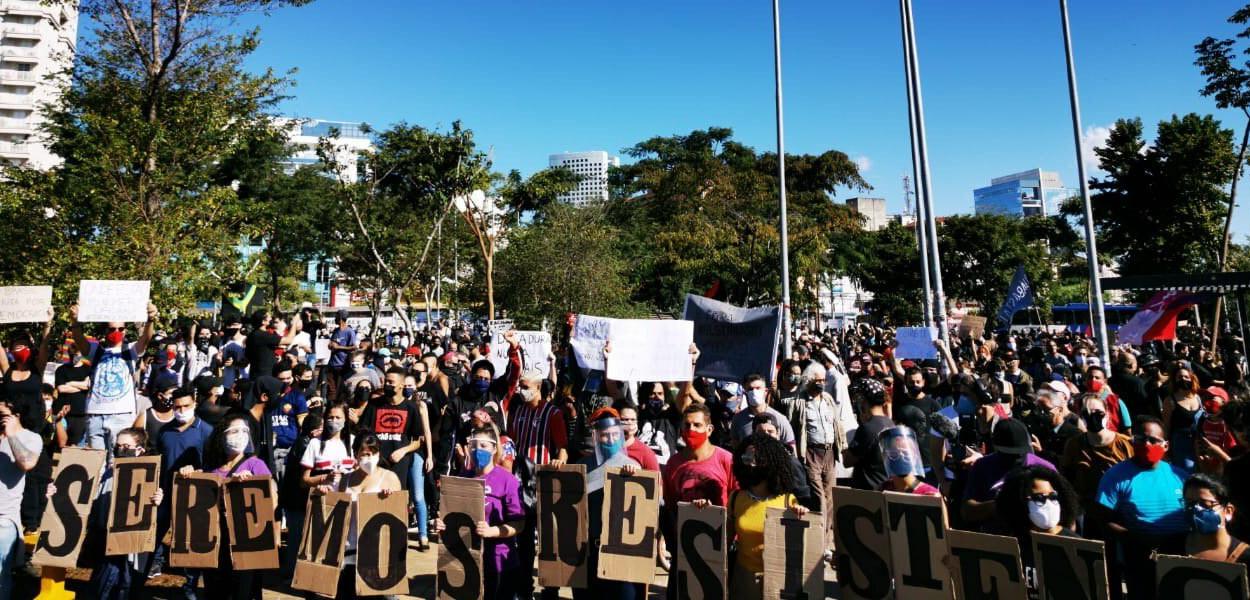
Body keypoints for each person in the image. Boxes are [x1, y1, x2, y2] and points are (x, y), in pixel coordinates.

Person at [58, 428, 161, 600]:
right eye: (118, 446)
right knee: (103, 583)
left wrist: (157, 499)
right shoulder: (108, 472)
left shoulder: (147, 474)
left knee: (122, 584)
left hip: (128, 542)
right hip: (103, 536)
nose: (120, 449)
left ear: (139, 450)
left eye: (126, 446)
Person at [1095, 417, 1188, 600]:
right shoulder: (1115, 476)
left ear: (1166, 445)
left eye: (1153, 440)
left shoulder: (1179, 476)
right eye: (1140, 439)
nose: (1146, 444)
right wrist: (1135, 538)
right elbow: (1103, 519)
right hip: (1140, 558)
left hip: (1179, 555)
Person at [434, 426, 526, 600]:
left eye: (483, 446)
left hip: (499, 562)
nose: (478, 450)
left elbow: (519, 524)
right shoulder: (463, 478)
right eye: (473, 445)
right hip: (467, 560)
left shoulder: (508, 481)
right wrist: (442, 523)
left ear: (494, 449)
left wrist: (492, 531)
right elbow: (455, 515)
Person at [714, 432, 809, 600]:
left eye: (757, 459)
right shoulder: (736, 498)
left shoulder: (788, 501)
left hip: (778, 581)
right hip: (744, 580)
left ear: (771, 462)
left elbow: (801, 543)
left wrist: (801, 515)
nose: (752, 464)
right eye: (747, 458)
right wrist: (702, 510)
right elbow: (723, 541)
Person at [323, 432, 403, 600]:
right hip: (348, 554)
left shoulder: (390, 478)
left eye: (373, 453)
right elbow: (331, 509)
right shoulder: (345, 480)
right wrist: (322, 491)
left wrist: (389, 499)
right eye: (365, 454)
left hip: (377, 556)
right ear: (356, 454)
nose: (369, 458)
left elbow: (398, 517)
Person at [200, 413, 271, 600]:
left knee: (243, 590)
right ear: (222, 435)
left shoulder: (256, 464)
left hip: (245, 539)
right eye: (234, 431)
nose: (240, 435)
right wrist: (189, 475)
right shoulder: (211, 469)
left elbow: (271, 500)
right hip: (217, 540)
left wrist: (250, 485)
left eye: (244, 431)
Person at [784, 361, 852, 555]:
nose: (821, 383)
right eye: (818, 380)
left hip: (829, 453)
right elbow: (793, 428)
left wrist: (842, 447)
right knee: (819, 496)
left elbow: (837, 425)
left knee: (830, 498)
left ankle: (826, 542)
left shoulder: (828, 400)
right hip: (811, 453)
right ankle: (817, 540)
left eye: (823, 380)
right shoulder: (799, 402)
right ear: (809, 381)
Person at [574, 408, 642, 600]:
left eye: (615, 434)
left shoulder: (632, 466)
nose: (611, 440)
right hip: (589, 552)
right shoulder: (582, 466)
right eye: (605, 435)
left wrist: (636, 479)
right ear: (595, 436)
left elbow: (650, 506)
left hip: (621, 552)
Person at [72, 302, 159, 452]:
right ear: (106, 330)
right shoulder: (96, 350)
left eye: (120, 329)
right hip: (95, 415)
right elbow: (80, 341)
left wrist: (150, 320)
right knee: (96, 459)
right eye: (112, 329)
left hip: (122, 415)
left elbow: (146, 339)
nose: (117, 332)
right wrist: (75, 322)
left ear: (125, 331)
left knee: (118, 459)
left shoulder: (130, 350)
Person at [358, 368, 429, 544]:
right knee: (372, 496)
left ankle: (397, 538)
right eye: (386, 381)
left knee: (396, 499)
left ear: (402, 385)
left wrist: (403, 450)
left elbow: (418, 440)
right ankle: (370, 538)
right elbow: (363, 432)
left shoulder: (411, 408)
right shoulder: (374, 404)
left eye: (391, 382)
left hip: (399, 462)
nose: (387, 385)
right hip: (376, 461)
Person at [996, 466, 1081, 598]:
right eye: (1039, 498)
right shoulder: (1014, 546)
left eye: (1053, 496)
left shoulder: (1076, 545)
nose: (1048, 503)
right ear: (1019, 502)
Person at [961, 419, 1057, 528]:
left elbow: (1066, 510)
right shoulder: (983, 466)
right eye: (1012, 455)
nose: (1019, 457)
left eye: (1022, 452)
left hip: (1036, 534)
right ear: (997, 448)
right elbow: (967, 511)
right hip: (997, 535)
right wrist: (999, 505)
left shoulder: (1045, 468)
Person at [0, 398, 40, 600]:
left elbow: (26, 463)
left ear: (17, 416)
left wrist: (11, 436)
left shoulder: (30, 438)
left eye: (2, 415)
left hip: (4, 518)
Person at [1183, 473, 1250, 566]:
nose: (1195, 509)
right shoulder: (1172, 547)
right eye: (1189, 503)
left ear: (1228, 511)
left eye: (1204, 504)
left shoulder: (1246, 556)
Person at [844, 377, 893, 491]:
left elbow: (848, 461)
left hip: (868, 492)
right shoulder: (889, 423)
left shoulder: (867, 428)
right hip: (885, 487)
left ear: (863, 399)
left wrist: (844, 451)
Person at [729, 373, 795, 447]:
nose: (754, 392)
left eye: (758, 388)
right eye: (750, 389)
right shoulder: (738, 419)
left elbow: (791, 450)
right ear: (745, 392)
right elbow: (735, 448)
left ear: (766, 391)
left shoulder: (780, 419)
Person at [1162, 365, 1203, 473]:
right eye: (1180, 377)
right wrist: (1165, 448)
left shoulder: (1197, 398)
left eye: (1186, 377)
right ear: (1175, 380)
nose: (1183, 379)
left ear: (1192, 378)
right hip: (1181, 442)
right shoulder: (1170, 400)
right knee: (1187, 471)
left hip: (1199, 441)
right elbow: (1166, 426)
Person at [878, 426, 940, 496]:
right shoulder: (883, 489)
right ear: (886, 457)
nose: (900, 458)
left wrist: (936, 501)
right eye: (893, 454)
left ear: (915, 457)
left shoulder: (928, 494)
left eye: (906, 453)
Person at [53, 347, 92, 447]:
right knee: (61, 444)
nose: (74, 357)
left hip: (81, 413)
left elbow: (88, 386)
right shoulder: (61, 369)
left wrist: (70, 383)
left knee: (77, 445)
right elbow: (61, 388)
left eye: (76, 355)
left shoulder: (88, 369)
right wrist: (82, 386)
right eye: (72, 355)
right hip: (63, 413)